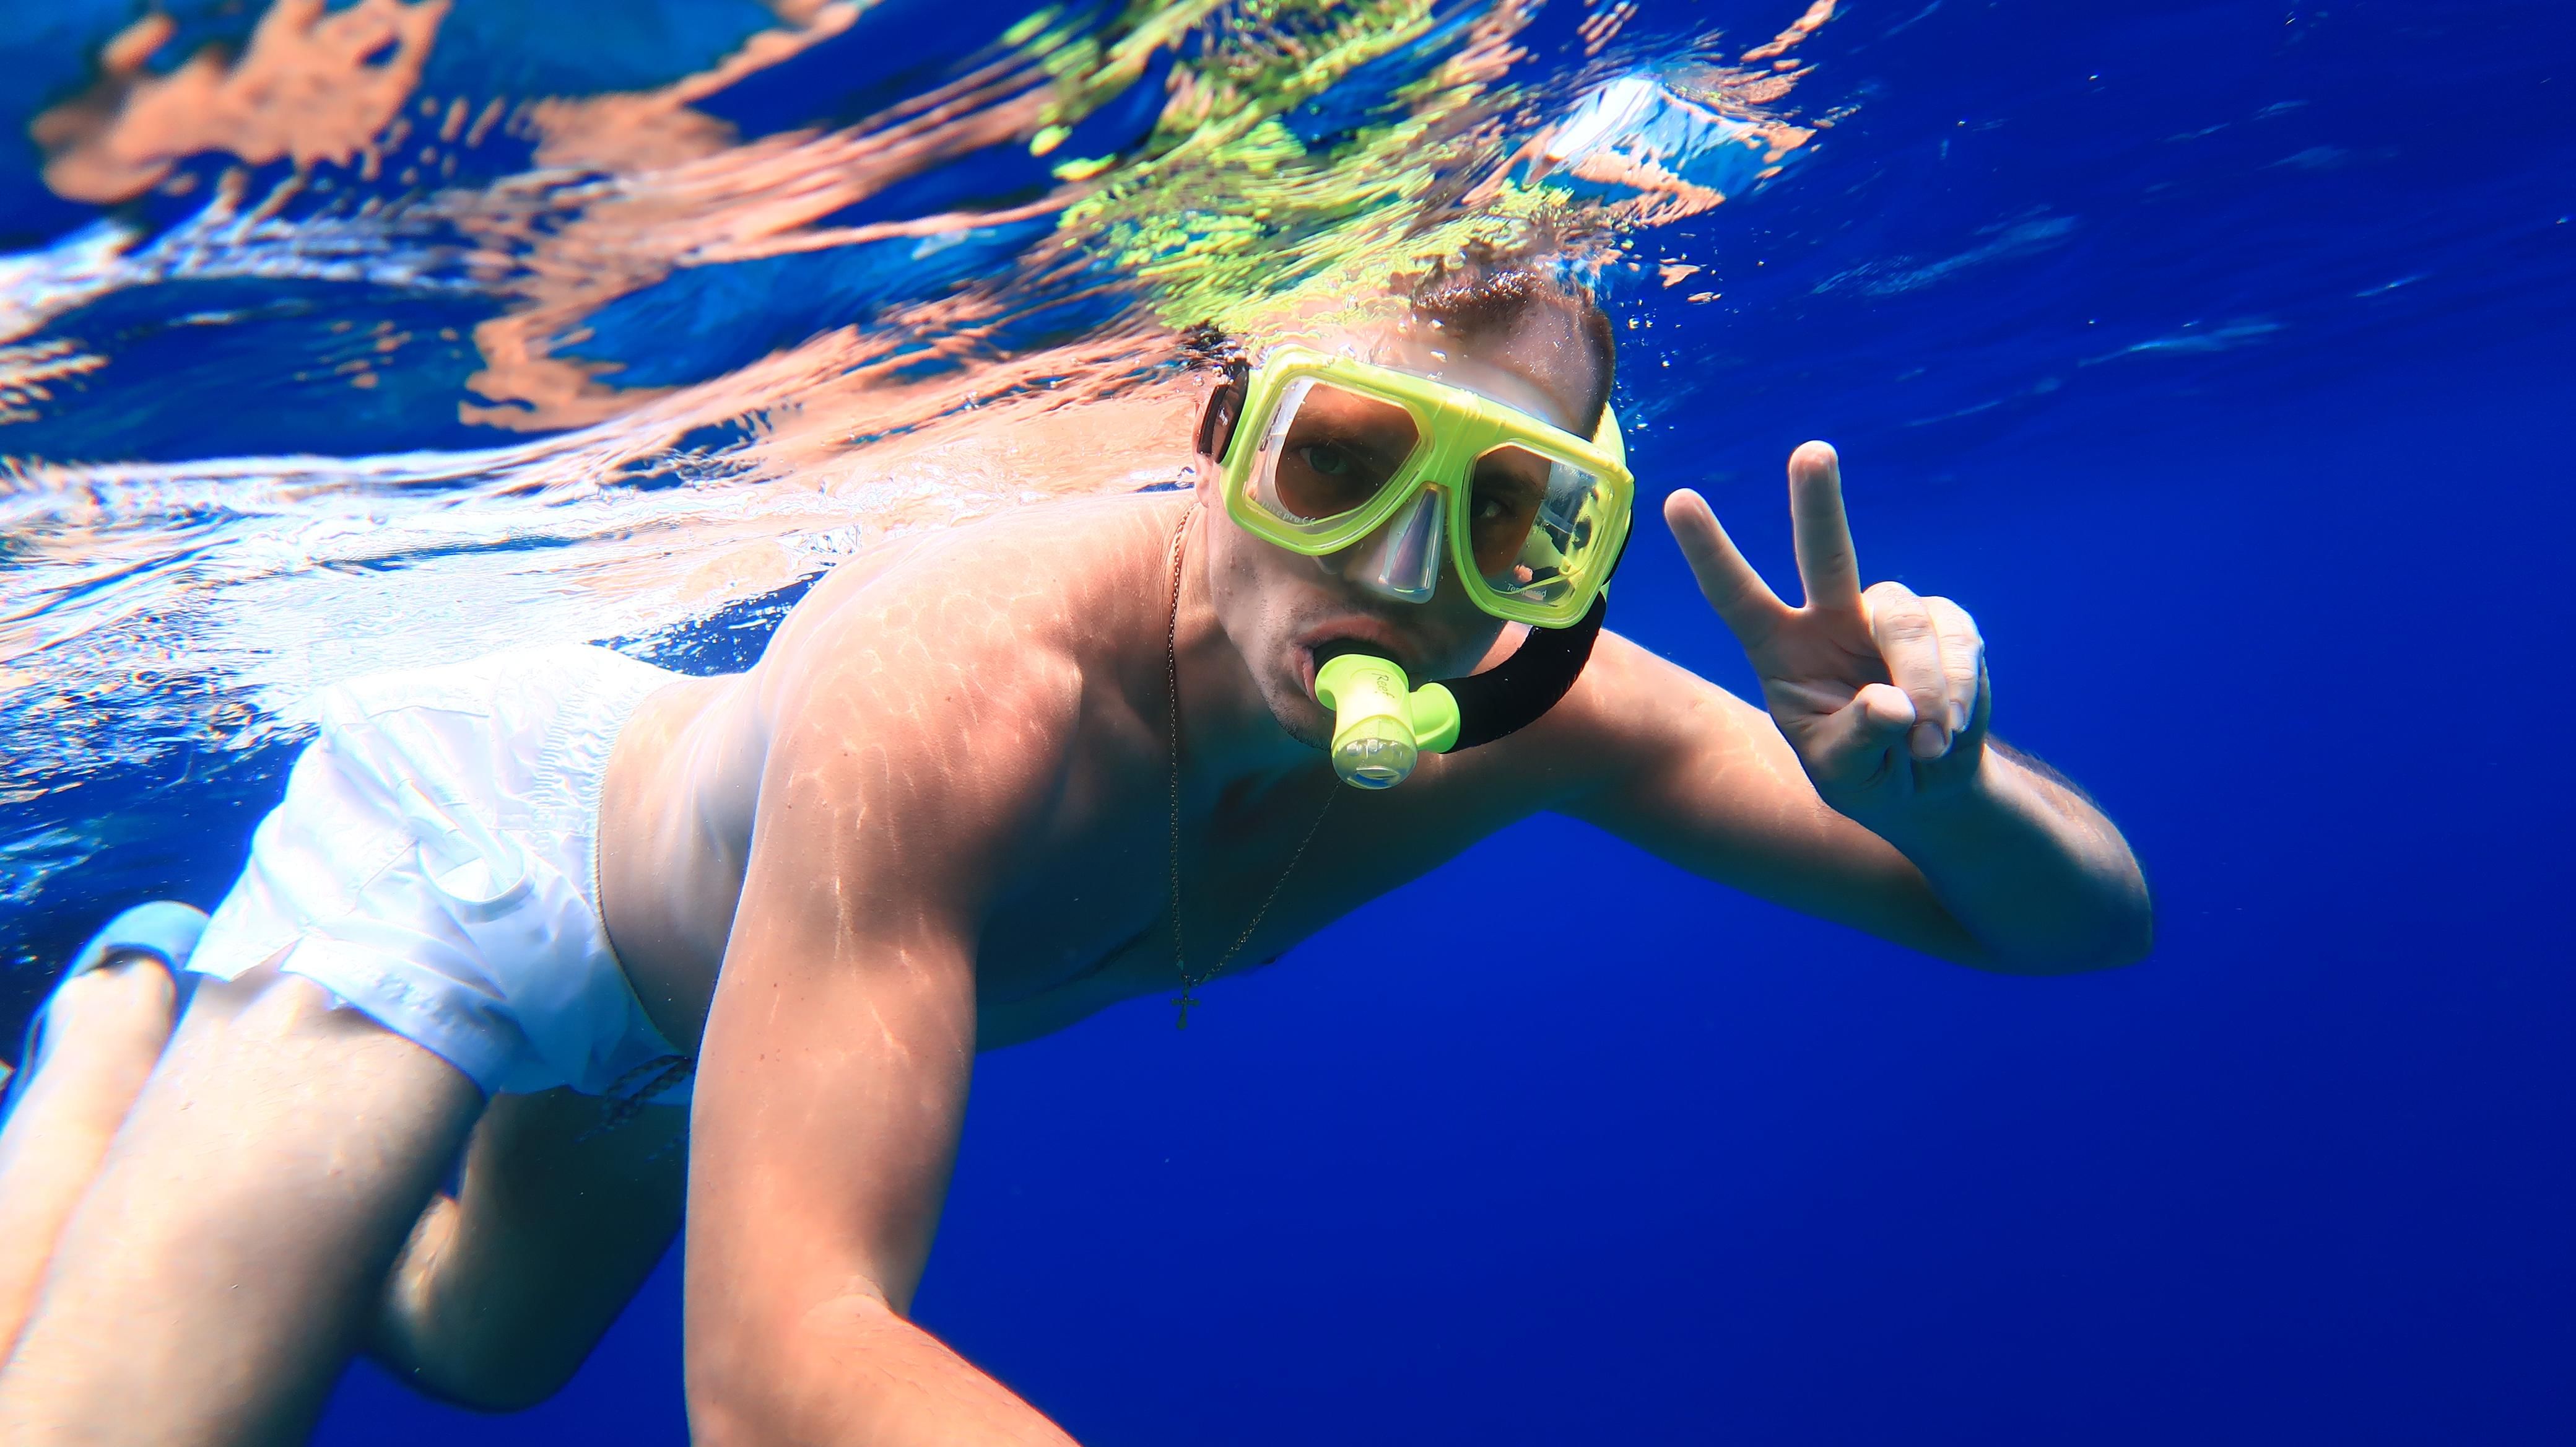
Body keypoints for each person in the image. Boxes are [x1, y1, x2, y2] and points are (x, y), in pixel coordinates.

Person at [0, 247, 2151, 1446]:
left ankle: (189, 1068)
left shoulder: (1542, 717)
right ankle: (124, 1016)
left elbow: (2072, 933)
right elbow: (769, 1377)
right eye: (1344, 457)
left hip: (701, 1014)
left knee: (477, 1349)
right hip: (480, 862)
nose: (1411, 571)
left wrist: (1944, 794)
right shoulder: (963, 696)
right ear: (1219, 440)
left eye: (1510, 513)